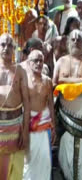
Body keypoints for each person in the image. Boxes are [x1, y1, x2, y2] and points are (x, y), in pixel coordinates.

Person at [53, 29, 82, 180]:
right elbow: (54, 84)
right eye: (73, 39)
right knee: (64, 160)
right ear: (67, 42)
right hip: (64, 119)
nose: (76, 42)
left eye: (79, 39)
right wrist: (81, 82)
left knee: (80, 161)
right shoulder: (61, 61)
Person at [0, 33, 30, 180]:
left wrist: (25, 131)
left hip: (16, 128)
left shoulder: (20, 71)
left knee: (16, 172)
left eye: (10, 45)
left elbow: (27, 103)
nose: (6, 48)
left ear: (14, 49)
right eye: (3, 45)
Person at [22, 50, 55, 180]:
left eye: (41, 60)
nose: (38, 63)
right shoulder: (25, 81)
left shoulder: (47, 81)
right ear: (29, 63)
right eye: (35, 60)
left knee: (44, 161)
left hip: (44, 126)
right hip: (29, 126)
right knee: (28, 163)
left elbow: (51, 105)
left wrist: (53, 127)